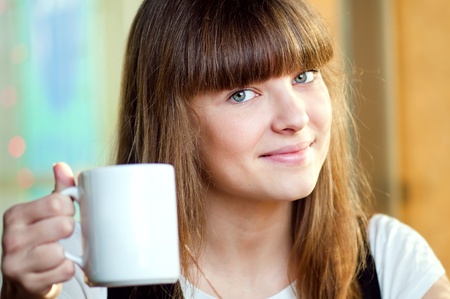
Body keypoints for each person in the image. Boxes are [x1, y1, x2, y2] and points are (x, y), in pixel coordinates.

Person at [2, 0, 450, 298]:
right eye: (241, 93)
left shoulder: (389, 262)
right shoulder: (81, 276)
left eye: (304, 75)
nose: (295, 117)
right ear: (172, 121)